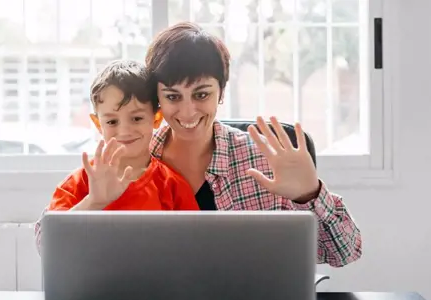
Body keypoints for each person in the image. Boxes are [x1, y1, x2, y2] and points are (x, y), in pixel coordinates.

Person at [143, 22, 362, 268]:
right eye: (173, 97)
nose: (188, 111)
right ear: (158, 98)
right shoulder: (133, 160)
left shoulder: (262, 159)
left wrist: (310, 194)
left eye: (201, 94)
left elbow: (344, 253)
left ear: (221, 92)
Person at [34, 60, 199, 251]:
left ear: (156, 118)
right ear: (98, 124)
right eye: (112, 121)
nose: (125, 131)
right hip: (93, 281)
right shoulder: (79, 183)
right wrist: (94, 202)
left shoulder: (172, 186)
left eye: (137, 118)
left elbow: (193, 249)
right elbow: (48, 246)